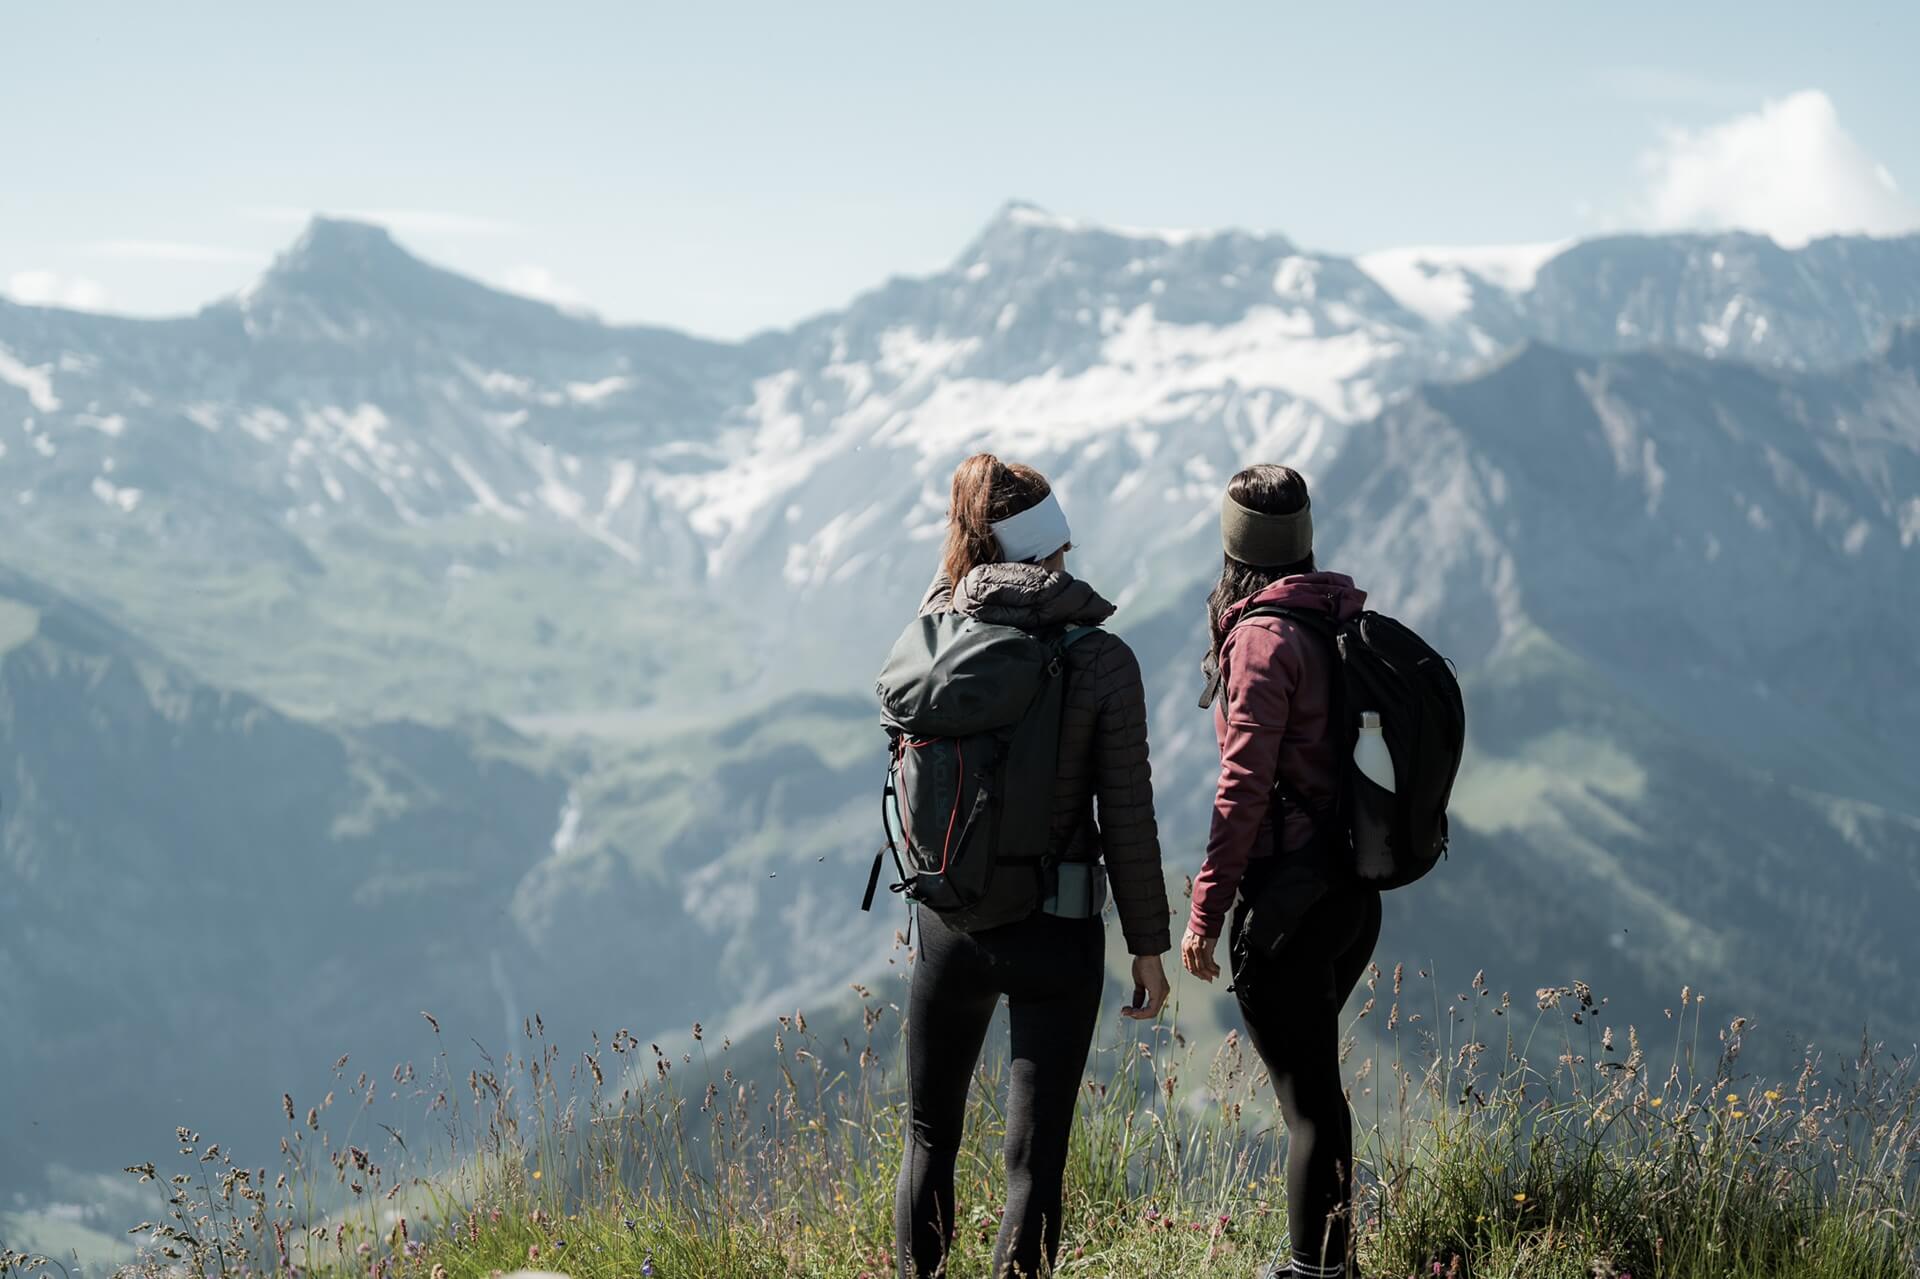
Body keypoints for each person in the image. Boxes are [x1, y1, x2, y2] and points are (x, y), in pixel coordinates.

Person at [895, 452, 1172, 1279]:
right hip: (1055, 927)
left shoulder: (938, 628)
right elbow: (1127, 814)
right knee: (1033, 1162)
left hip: (950, 916)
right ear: (1056, 544)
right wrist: (1148, 946)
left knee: (929, 1135)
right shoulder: (1102, 657)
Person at [1180, 463, 1380, 1279]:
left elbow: (1242, 788)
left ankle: (1314, 1272)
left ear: (1235, 550)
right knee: (1321, 1090)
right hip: (1348, 892)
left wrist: (1204, 911)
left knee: (1306, 1105)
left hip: (1289, 901)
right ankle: (1333, 1266)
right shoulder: (1332, 614)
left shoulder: (1262, 636)